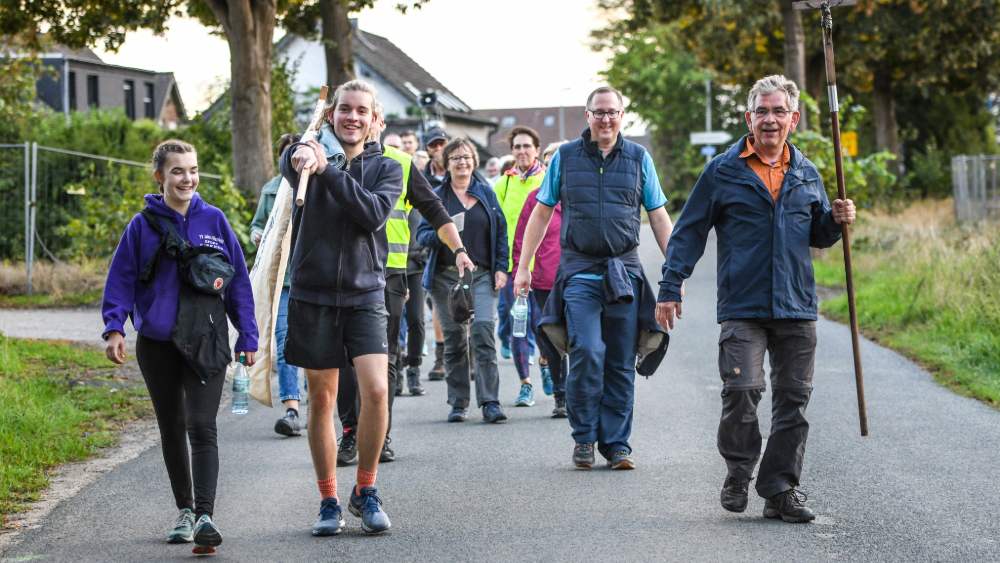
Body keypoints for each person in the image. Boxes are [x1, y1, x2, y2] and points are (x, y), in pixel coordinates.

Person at [655, 75, 856, 523]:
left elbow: (819, 234)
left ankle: (781, 489)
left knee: (793, 401)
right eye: (762, 111)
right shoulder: (723, 170)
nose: (770, 119)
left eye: (778, 111)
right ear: (749, 117)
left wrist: (837, 219)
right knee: (742, 391)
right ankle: (739, 471)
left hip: (796, 306)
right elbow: (688, 233)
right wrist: (671, 286)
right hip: (743, 307)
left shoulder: (806, 172)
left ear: (794, 119)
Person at [102, 139, 258, 551]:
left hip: (206, 341)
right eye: (177, 171)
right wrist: (114, 327)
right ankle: (185, 511)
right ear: (160, 176)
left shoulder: (216, 221)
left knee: (202, 426)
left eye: (192, 170)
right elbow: (121, 278)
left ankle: (206, 515)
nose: (186, 178)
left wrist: (248, 333)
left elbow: (239, 281)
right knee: (171, 427)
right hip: (157, 343)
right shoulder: (142, 225)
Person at [515, 86, 674, 470]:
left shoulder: (638, 158)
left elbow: (657, 215)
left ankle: (617, 444)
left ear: (622, 115)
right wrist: (524, 265)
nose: (606, 119)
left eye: (612, 112)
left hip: (624, 273)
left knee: (620, 360)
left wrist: (675, 271)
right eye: (598, 112)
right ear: (587, 116)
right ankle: (584, 437)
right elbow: (541, 212)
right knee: (587, 351)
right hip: (580, 271)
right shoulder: (567, 157)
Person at [280, 79, 400, 536]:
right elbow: (291, 162)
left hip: (366, 294)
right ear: (332, 116)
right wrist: (301, 154)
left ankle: (365, 489)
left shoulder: (387, 169)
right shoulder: (306, 158)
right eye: (344, 109)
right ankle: (329, 498)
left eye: (361, 111)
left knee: (375, 392)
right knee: (322, 400)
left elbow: (370, 215)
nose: (352, 116)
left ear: (374, 122)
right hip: (312, 295)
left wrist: (328, 170)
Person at [336, 103, 473, 465]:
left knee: (385, 356)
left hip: (391, 271)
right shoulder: (335, 156)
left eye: (372, 117)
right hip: (344, 274)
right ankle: (351, 432)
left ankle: (379, 434)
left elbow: (434, 209)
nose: (366, 124)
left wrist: (458, 247)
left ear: (379, 123)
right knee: (347, 359)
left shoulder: (400, 162)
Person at [418, 137, 509, 424]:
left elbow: (501, 232)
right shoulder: (436, 196)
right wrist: (447, 232)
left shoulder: (486, 193)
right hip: (446, 280)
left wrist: (501, 268)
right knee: (456, 340)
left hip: (481, 274)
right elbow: (422, 236)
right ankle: (458, 402)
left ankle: (490, 402)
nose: (462, 162)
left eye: (467, 157)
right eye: (456, 158)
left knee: (483, 333)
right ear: (446, 163)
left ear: (474, 161)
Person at [250, 133, 306, 437]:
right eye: (287, 155)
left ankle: (320, 396)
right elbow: (257, 224)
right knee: (285, 342)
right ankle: (292, 409)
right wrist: (256, 234)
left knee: (316, 344)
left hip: (312, 280)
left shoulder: (318, 185)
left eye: (297, 153)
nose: (293, 160)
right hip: (282, 280)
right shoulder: (270, 190)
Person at [495, 126, 546, 408]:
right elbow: (497, 227)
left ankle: (547, 364)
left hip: (545, 269)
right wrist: (500, 267)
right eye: (517, 147)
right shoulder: (503, 184)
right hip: (515, 270)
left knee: (544, 328)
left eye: (527, 146)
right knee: (518, 327)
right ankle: (526, 383)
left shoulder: (548, 180)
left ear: (537, 149)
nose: (522, 151)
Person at [512, 183, 566, 418]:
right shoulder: (537, 198)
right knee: (552, 339)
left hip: (580, 277)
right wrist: (519, 270)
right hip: (545, 280)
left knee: (581, 337)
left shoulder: (585, 193)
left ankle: (584, 393)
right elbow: (521, 237)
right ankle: (561, 395)